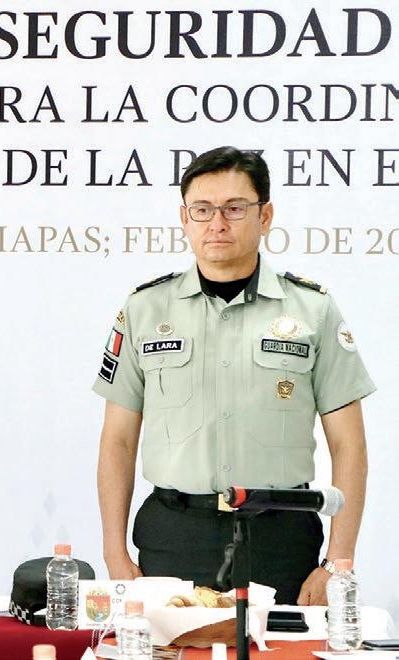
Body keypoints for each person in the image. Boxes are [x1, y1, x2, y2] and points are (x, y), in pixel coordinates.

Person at [93, 146, 372, 605]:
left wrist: (338, 562)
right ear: (184, 218)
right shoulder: (144, 309)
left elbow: (349, 444)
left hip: (280, 537)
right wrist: (114, 552)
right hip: (173, 534)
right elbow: (117, 441)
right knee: (168, 644)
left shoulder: (313, 310)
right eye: (202, 209)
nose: (217, 223)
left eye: (235, 208)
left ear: (265, 216)